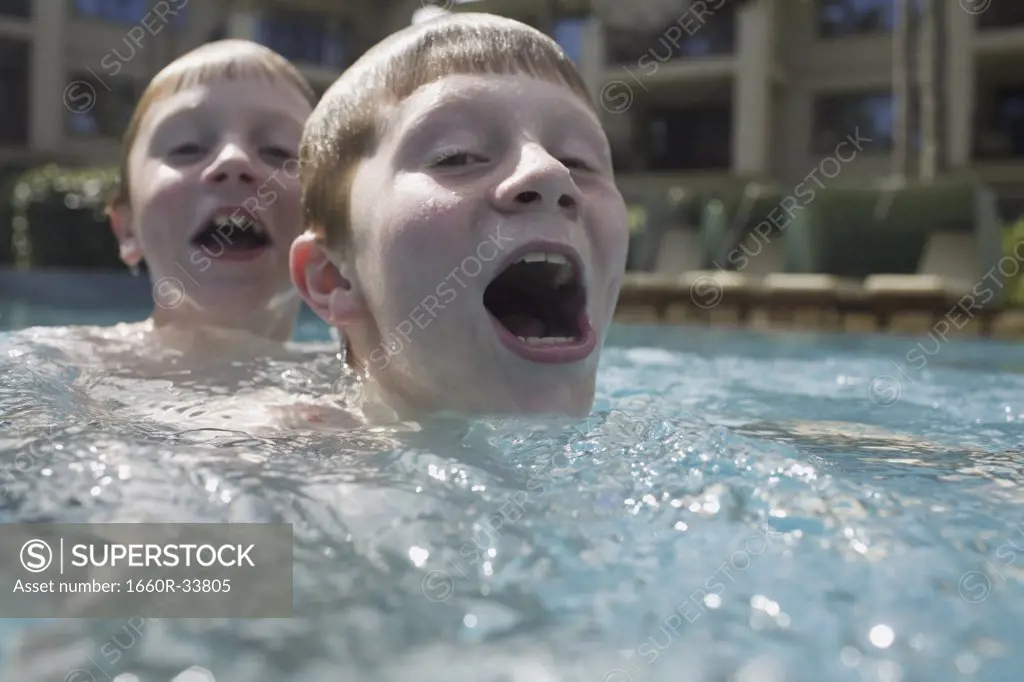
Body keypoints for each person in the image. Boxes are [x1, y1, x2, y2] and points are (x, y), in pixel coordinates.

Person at [289, 13, 630, 420]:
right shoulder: (255, 460)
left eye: (579, 161)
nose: (551, 172)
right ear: (333, 278)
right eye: (457, 156)